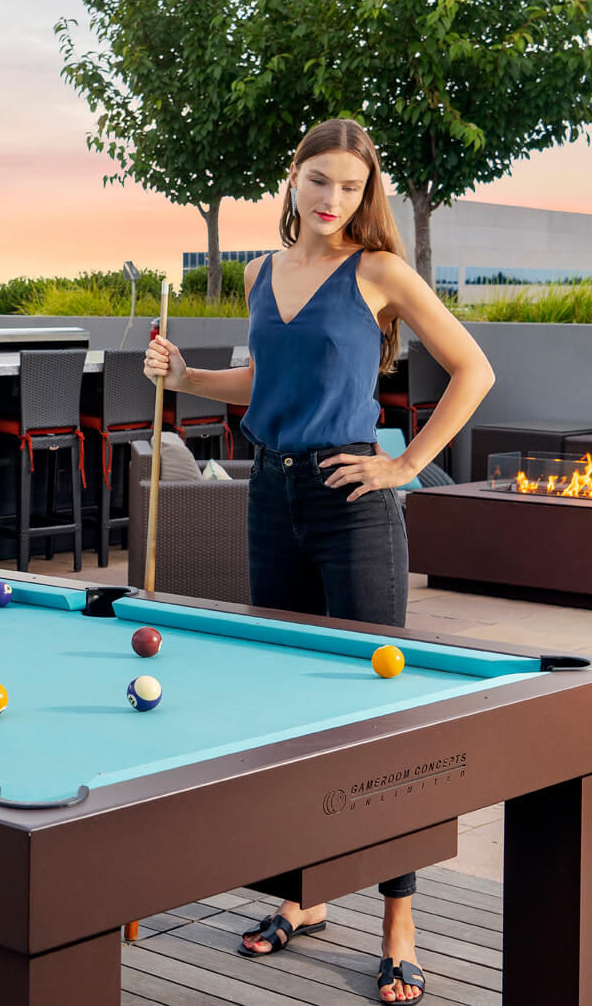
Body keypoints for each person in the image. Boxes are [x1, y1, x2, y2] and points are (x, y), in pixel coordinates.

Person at [145, 119, 494, 1005]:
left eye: (349, 185)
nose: (333, 199)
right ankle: (301, 898)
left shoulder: (378, 271)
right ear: (292, 179)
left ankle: (399, 920)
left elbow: (474, 369)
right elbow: (263, 383)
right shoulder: (263, 273)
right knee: (287, 711)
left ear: (365, 191)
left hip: (354, 504)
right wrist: (183, 373)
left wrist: (405, 466)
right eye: (319, 181)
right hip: (272, 496)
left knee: (381, 712)